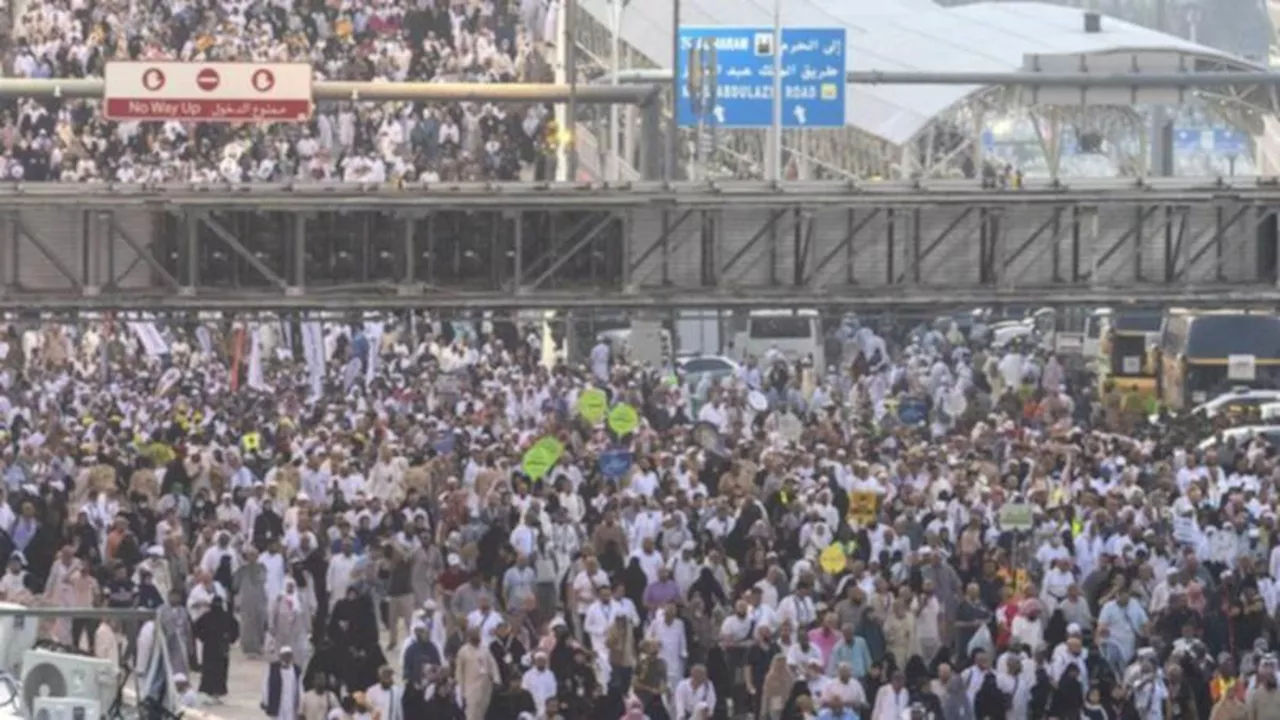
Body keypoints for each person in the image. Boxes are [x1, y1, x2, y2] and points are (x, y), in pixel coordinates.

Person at [193, 595, 239, 703]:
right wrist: (203, 637)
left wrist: (230, 639)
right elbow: (196, 628)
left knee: (220, 672)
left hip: (222, 649)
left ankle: (217, 694)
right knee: (209, 671)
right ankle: (208, 693)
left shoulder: (227, 617)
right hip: (209, 648)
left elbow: (235, 628)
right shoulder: (207, 616)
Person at [261, 646, 302, 720]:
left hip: (291, 704)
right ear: (280, 656)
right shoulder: (273, 668)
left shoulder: (296, 670)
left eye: (289, 655)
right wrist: (265, 700)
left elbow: (300, 688)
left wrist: (301, 704)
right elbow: (265, 685)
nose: (287, 658)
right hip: (277, 703)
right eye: (285, 655)